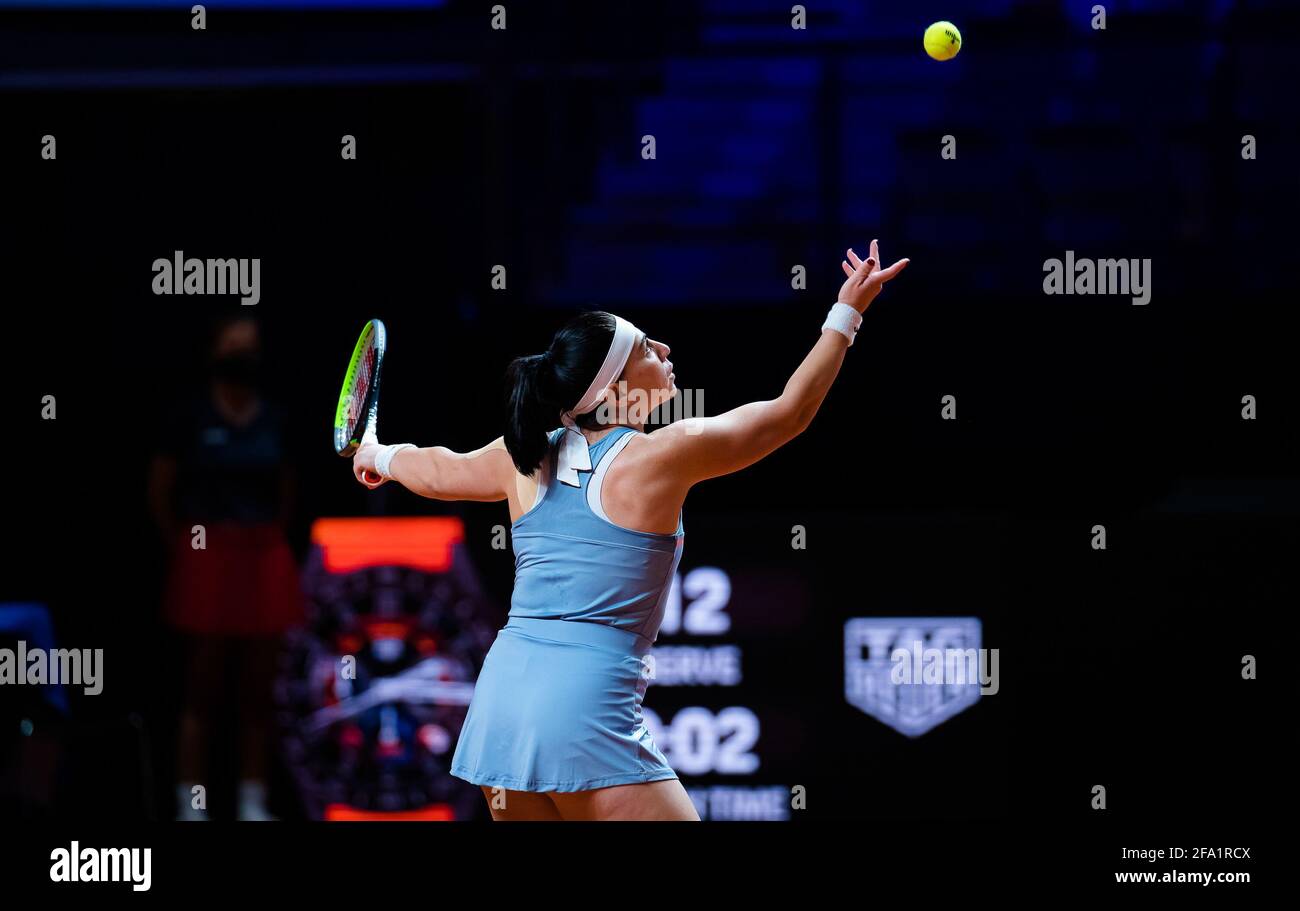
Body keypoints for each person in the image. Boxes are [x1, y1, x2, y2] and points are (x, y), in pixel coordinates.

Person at [353, 243, 908, 820]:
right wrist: (846, 314)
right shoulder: (660, 455)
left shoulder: (517, 456)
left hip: (500, 711)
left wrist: (379, 454)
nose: (664, 348)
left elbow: (439, 469)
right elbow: (789, 412)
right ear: (613, 388)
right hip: (582, 713)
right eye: (645, 345)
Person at [148, 314, 302, 821]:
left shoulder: (275, 417)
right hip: (205, 558)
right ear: (213, 350)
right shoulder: (188, 416)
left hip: (263, 558)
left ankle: (252, 803)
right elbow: (160, 492)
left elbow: (286, 493)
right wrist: (186, 548)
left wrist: (266, 541)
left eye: (250, 347)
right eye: (233, 346)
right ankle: (191, 803)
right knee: (202, 691)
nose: (243, 356)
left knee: (258, 695)